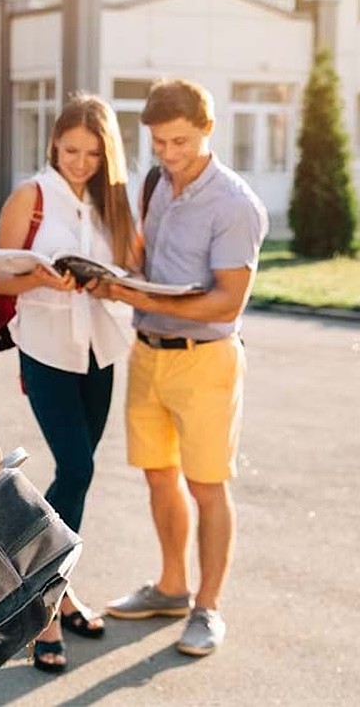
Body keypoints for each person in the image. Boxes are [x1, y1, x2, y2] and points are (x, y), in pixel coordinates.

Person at [98, 78, 268, 658]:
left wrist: (143, 298)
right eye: (160, 143)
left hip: (206, 362)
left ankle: (208, 607)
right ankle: (172, 587)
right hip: (147, 354)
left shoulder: (236, 204)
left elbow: (228, 302)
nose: (169, 155)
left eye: (181, 142)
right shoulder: (157, 184)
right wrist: (119, 275)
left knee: (206, 485)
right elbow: (145, 254)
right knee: (157, 475)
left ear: (208, 130)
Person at [0, 93, 136, 673]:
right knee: (76, 469)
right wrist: (41, 277)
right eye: (71, 150)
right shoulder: (31, 195)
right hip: (47, 349)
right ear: (54, 144)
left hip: (102, 350)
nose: (80, 162)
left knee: (78, 477)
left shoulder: (111, 204)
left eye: (93, 154)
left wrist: (108, 283)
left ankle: (61, 587)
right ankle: (41, 606)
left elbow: (129, 270)